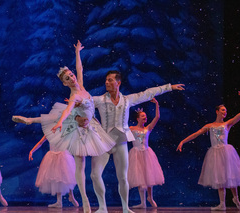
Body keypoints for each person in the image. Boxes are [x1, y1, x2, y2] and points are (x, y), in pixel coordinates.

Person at [12, 40, 115, 213]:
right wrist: (60, 123)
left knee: (95, 163)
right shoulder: (74, 95)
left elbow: (80, 69)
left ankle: (30, 120)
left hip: (91, 126)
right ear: (65, 83)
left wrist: (77, 53)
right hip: (79, 130)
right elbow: (67, 110)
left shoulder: (81, 85)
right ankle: (85, 200)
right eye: (68, 78)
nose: (72, 77)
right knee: (79, 161)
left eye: (71, 75)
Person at [76, 70, 185, 213]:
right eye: (106, 80)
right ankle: (102, 207)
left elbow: (147, 93)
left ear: (118, 83)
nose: (106, 82)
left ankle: (125, 208)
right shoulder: (100, 100)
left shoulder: (127, 100)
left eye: (110, 80)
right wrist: (76, 105)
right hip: (104, 142)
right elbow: (83, 103)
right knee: (95, 175)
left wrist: (169, 87)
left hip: (120, 142)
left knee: (122, 177)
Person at [176, 90, 240, 211]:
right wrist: (183, 141)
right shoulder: (210, 126)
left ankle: (236, 198)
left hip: (226, 152)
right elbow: (196, 134)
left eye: (226, 110)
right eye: (223, 110)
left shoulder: (227, 124)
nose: (225, 112)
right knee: (220, 178)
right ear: (217, 111)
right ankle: (222, 203)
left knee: (230, 176)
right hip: (215, 153)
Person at [127, 98, 164, 209]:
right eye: (142, 116)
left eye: (145, 116)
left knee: (149, 176)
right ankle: (143, 202)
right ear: (138, 118)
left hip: (147, 153)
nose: (145, 117)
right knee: (140, 177)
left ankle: (150, 197)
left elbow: (157, 117)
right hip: (136, 154)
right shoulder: (131, 128)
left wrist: (157, 104)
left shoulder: (148, 128)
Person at [28, 135, 79, 208]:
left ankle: (71, 196)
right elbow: (40, 142)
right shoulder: (49, 132)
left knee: (66, 175)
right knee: (57, 178)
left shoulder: (63, 130)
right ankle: (59, 201)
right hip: (52, 156)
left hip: (63, 155)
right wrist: (32, 151)